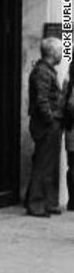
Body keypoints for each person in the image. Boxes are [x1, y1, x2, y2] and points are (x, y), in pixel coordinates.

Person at [25, 38, 65, 216]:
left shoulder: (47, 71)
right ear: (52, 53)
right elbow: (42, 101)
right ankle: (36, 204)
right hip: (46, 124)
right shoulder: (42, 72)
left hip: (49, 123)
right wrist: (51, 120)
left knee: (46, 163)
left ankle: (45, 202)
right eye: (60, 50)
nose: (62, 54)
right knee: (43, 164)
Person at [64, 74, 74, 211]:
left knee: (71, 166)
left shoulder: (68, 82)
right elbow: (71, 105)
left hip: (70, 130)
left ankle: (72, 201)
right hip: (73, 129)